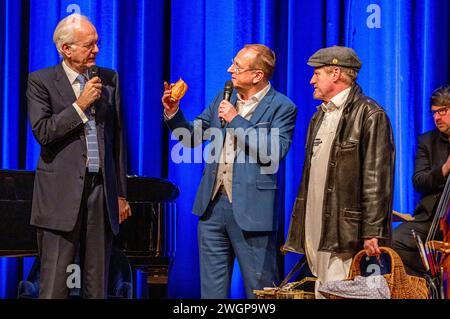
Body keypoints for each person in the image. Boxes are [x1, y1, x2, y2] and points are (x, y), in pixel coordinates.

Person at [162, 44, 297, 298]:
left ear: (257, 75)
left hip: (253, 212)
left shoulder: (282, 107)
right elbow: (192, 136)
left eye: (237, 66)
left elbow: (273, 151)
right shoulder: (223, 97)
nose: (229, 70)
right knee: (211, 293)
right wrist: (173, 113)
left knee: (261, 291)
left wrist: (235, 119)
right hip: (212, 208)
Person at [27, 13, 131, 298]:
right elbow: (44, 132)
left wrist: (120, 193)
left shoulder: (109, 79)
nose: (96, 50)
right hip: (59, 195)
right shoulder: (41, 81)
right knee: (54, 287)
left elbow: (118, 139)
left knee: (98, 287)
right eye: (89, 45)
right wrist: (80, 105)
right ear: (66, 49)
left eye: (97, 43)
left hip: (101, 193)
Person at [283, 46, 395, 298]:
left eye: (317, 73)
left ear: (335, 73)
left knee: (339, 289)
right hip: (317, 226)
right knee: (324, 287)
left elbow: (377, 177)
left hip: (344, 230)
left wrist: (373, 231)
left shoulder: (370, 114)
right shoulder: (319, 116)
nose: (312, 79)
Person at [392, 86, 450, 277]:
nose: (437, 118)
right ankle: (428, 282)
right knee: (396, 240)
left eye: (442, 111)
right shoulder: (427, 141)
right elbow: (419, 181)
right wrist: (444, 169)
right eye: (434, 113)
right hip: (431, 219)